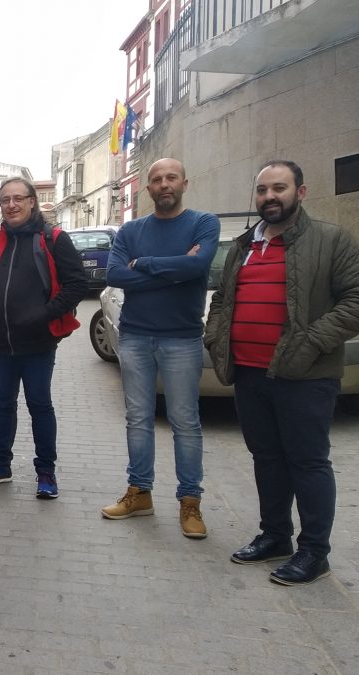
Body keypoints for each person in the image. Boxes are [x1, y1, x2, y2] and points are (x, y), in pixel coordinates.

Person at [205, 160, 359, 585]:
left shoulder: (331, 240)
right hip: (251, 375)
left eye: (279, 188)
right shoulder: (244, 245)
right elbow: (223, 299)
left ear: (300, 193)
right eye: (262, 190)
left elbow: (355, 301)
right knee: (267, 459)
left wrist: (309, 342)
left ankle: (314, 552)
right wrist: (215, 337)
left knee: (307, 463)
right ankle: (275, 536)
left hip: (306, 377)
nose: (269, 197)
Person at [100, 158, 220, 538]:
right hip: (135, 336)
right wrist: (174, 271)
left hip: (182, 338)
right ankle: (140, 493)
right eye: (156, 180)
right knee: (138, 419)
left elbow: (198, 265)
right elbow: (115, 274)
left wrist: (145, 266)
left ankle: (190, 502)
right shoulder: (131, 229)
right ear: (147, 189)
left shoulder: (203, 223)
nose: (164, 184)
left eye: (171, 178)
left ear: (184, 182)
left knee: (185, 422)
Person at [0, 178, 87, 498]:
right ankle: (0, 466)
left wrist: (41, 317)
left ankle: (46, 471)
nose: (11, 205)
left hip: (38, 344)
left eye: (18, 198)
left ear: (32, 202)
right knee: (2, 405)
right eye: (5, 200)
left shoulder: (53, 239)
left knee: (39, 405)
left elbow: (77, 286)